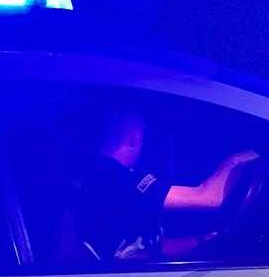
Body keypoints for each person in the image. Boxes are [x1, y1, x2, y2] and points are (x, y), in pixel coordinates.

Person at [71, 108, 259, 262]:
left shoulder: (101, 174)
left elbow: (146, 248)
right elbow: (209, 198)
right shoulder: (116, 177)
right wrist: (235, 161)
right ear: (134, 138)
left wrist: (201, 240)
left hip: (131, 271)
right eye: (143, 135)